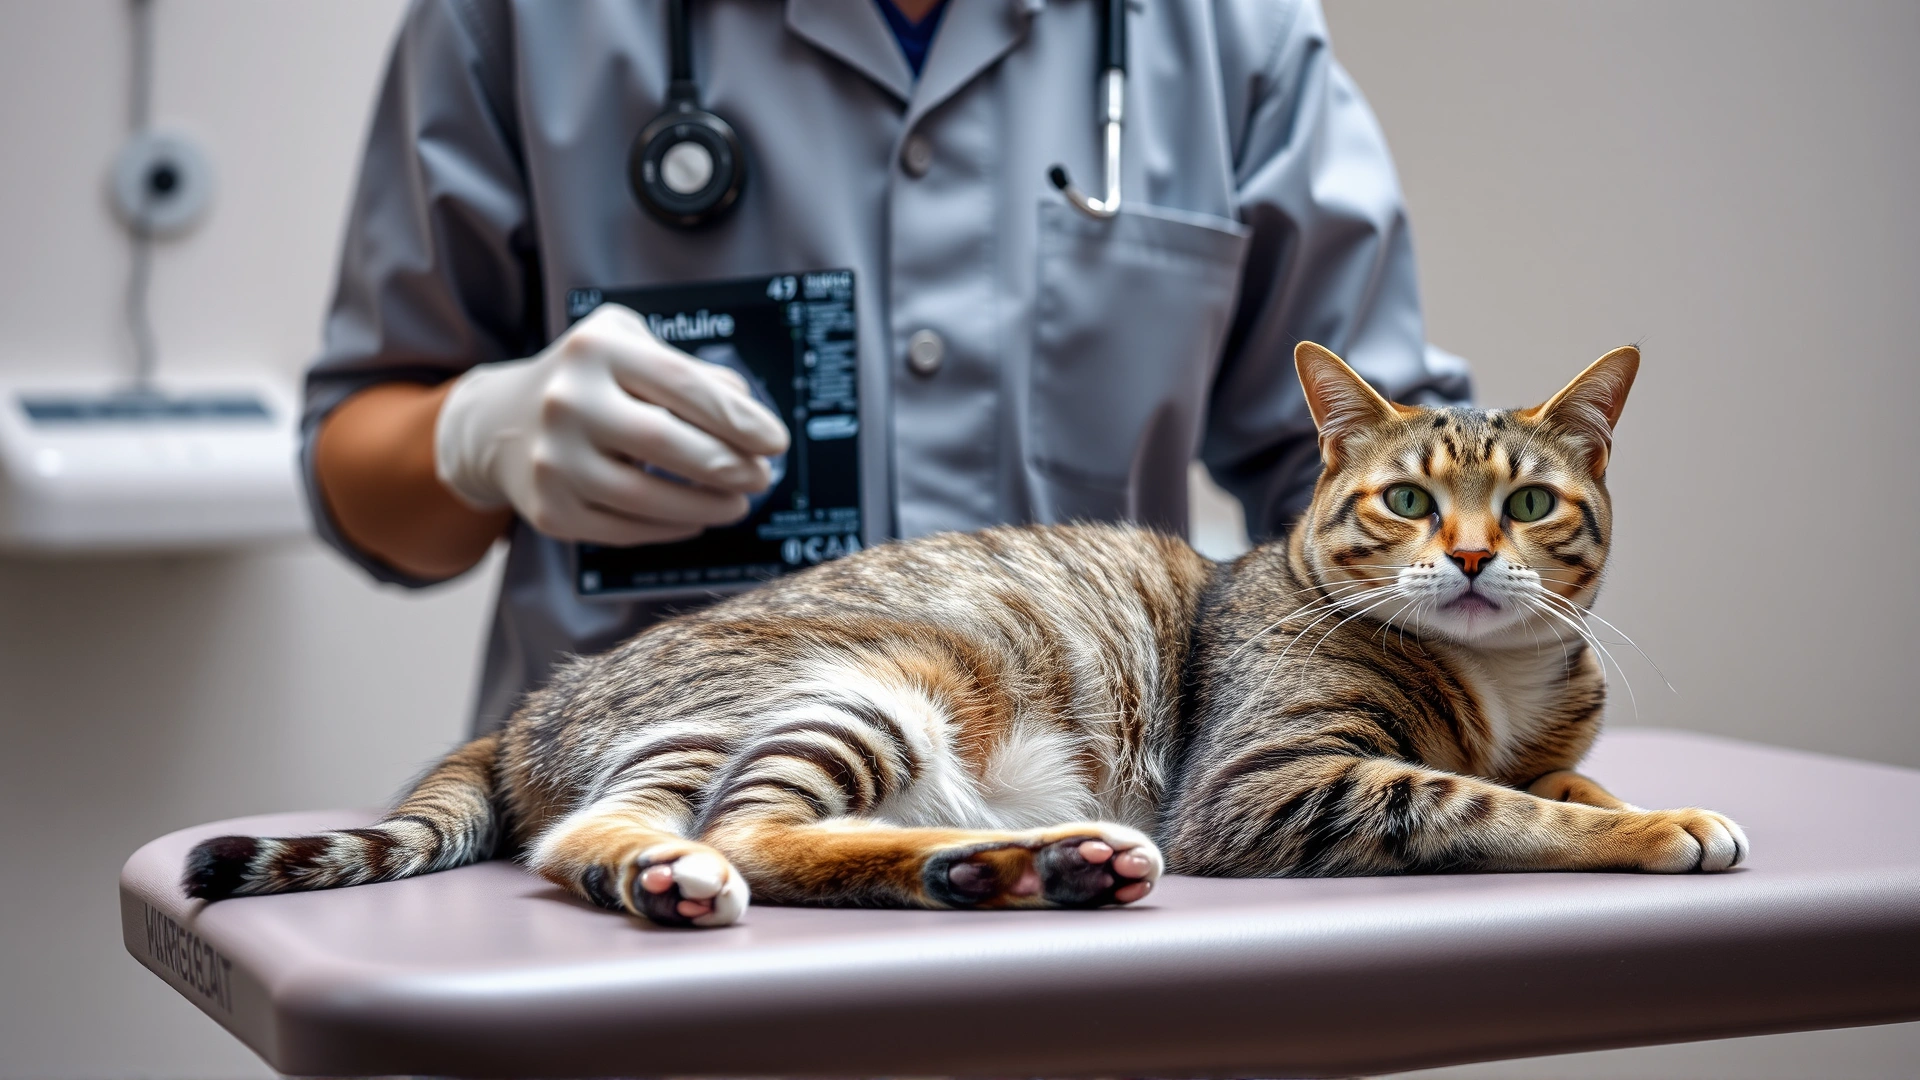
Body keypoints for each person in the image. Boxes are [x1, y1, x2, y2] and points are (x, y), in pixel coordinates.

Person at [304, 0, 1471, 735]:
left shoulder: (1228, 32)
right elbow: (359, 480)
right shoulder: (515, 20)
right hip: (647, 857)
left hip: (1083, 862)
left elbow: (1403, 503)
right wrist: (474, 437)